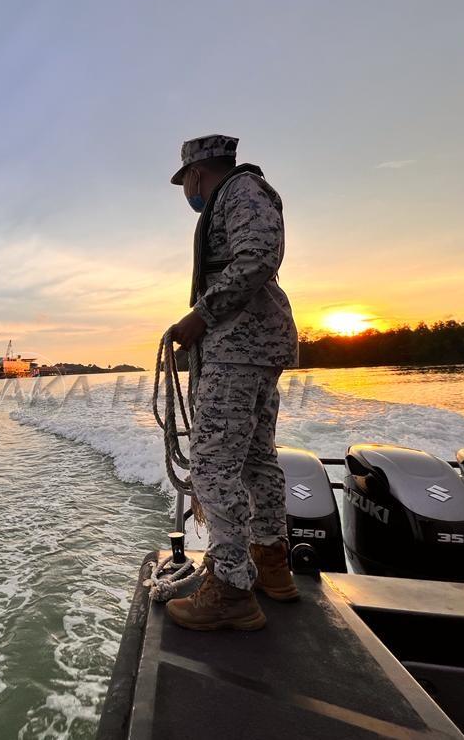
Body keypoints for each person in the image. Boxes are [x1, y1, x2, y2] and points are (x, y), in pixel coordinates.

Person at [165, 134, 300, 631]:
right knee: (255, 458)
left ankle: (231, 586)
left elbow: (258, 257)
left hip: (240, 349)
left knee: (212, 463)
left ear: (197, 174)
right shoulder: (236, 196)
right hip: (255, 348)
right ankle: (270, 563)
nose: (187, 194)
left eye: (185, 184)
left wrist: (202, 314)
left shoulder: (242, 190)